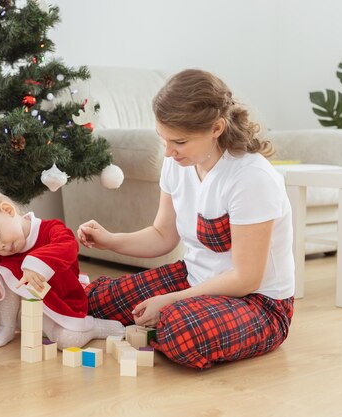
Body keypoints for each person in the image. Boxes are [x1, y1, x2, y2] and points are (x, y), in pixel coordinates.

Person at [77, 69, 295, 370]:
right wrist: (110, 241)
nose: (168, 152)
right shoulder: (178, 164)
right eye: (162, 139)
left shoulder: (251, 178)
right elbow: (162, 235)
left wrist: (171, 300)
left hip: (258, 303)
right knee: (93, 300)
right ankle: (165, 320)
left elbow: (246, 279)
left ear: (216, 128)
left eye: (178, 141)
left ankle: (169, 323)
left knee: (179, 328)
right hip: (193, 278)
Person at [0, 186, 124, 349]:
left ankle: (93, 327)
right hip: (25, 316)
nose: (1, 247)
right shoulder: (5, 248)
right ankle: (7, 327)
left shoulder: (50, 229)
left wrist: (36, 263)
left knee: (67, 340)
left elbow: (69, 245)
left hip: (61, 304)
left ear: (8, 210)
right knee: (1, 272)